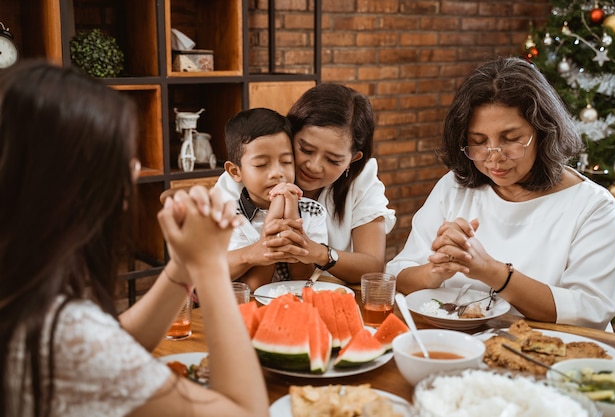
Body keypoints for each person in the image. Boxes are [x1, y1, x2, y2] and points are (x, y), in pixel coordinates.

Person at [0, 60, 269, 417]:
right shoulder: (60, 334)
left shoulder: (28, 301)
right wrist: (210, 266)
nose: (136, 168)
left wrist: (182, 266)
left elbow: (112, 344)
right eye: (121, 156)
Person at [386, 56, 615, 330]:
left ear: (543, 131)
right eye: (479, 142)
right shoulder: (454, 187)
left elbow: (591, 310)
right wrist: (436, 270)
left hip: (552, 353)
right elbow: (396, 275)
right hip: (460, 345)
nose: (494, 158)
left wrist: (493, 272)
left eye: (511, 140)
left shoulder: (591, 205)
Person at [216, 83, 396, 285]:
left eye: (333, 160)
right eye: (306, 149)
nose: (314, 166)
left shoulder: (361, 179)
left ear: (352, 159)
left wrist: (318, 252)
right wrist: (256, 251)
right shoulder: (248, 178)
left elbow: (372, 267)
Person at [221, 107, 327, 290]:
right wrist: (273, 223)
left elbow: (304, 279)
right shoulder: (229, 216)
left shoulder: (313, 211)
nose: (277, 173)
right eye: (261, 165)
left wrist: (292, 219)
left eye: (286, 162)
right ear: (235, 172)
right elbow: (252, 287)